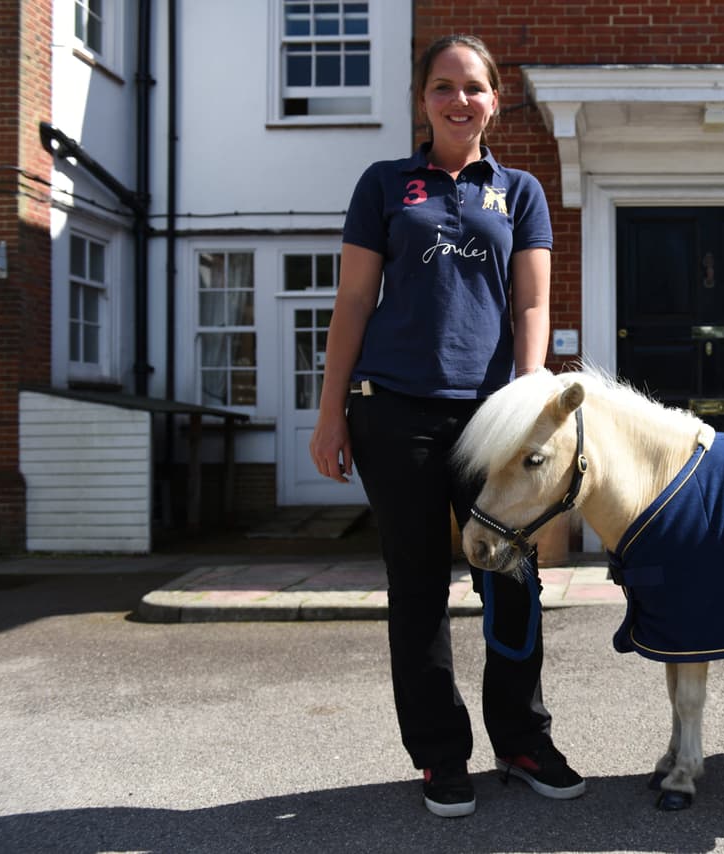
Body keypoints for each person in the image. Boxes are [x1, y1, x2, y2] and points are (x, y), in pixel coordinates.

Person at [308, 33, 584, 819]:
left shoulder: (520, 191)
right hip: (394, 410)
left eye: (473, 87)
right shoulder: (386, 185)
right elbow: (354, 303)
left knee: (511, 579)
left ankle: (524, 739)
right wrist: (331, 413)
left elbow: (532, 305)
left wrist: (528, 397)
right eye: (442, 87)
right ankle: (439, 756)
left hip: (493, 418)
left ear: (496, 100)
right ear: (422, 101)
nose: (458, 100)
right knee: (419, 588)